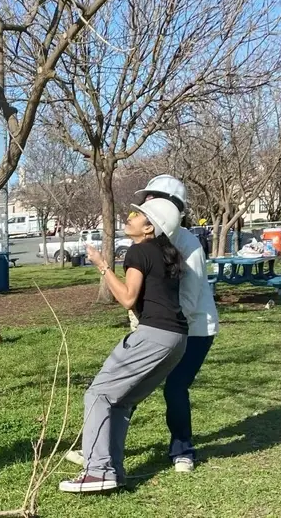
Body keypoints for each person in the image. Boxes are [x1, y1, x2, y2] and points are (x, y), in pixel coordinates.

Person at [59, 198, 188, 494]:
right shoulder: (167, 253)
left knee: (98, 395)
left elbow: (128, 298)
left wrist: (102, 267)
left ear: (150, 226)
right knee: (119, 401)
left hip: (153, 335)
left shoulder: (139, 250)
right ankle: (112, 472)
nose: (130, 217)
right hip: (177, 340)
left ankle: (96, 471)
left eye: (138, 214)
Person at [134, 175, 219, 473]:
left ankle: (183, 450)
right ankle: (101, 442)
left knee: (175, 387)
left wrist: (157, 324)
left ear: (172, 207)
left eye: (152, 199)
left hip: (194, 330)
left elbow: (191, 300)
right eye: (146, 199)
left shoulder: (188, 244)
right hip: (160, 327)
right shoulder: (149, 241)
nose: (145, 205)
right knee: (130, 382)